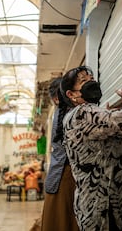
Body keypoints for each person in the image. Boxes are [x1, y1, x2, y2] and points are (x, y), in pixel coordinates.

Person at [59, 66, 122, 231]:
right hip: (104, 205)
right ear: (72, 94)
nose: (91, 82)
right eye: (84, 81)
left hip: (118, 200)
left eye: (91, 79)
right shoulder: (81, 113)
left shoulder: (94, 113)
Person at [41, 77, 79, 231]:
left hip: (59, 176)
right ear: (57, 98)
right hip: (65, 177)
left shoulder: (63, 113)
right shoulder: (69, 115)